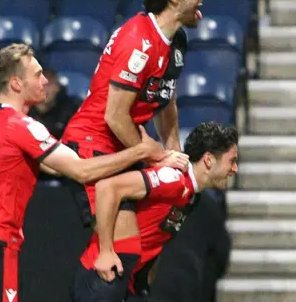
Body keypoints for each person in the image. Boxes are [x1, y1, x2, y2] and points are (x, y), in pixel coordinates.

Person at [0, 43, 186, 302]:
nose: (44, 81)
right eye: (37, 74)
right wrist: (141, 151)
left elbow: (48, 166)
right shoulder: (22, 127)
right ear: (16, 84)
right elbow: (81, 170)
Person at [60, 0, 208, 297]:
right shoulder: (138, 41)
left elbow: (166, 100)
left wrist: (174, 152)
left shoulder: (176, 40)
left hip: (124, 146)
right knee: (121, 250)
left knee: (145, 250)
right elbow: (114, 117)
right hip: (91, 145)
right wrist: (156, 159)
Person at [70, 122, 238, 302]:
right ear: (209, 160)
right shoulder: (173, 179)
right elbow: (107, 187)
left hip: (123, 281)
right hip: (104, 277)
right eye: (232, 161)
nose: (235, 169)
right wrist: (105, 252)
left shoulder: (191, 196)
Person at [27, 68, 81, 184]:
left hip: (67, 174)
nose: (45, 89)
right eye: (41, 84)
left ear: (57, 87)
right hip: (32, 175)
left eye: (49, 84)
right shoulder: (23, 110)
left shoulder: (71, 108)